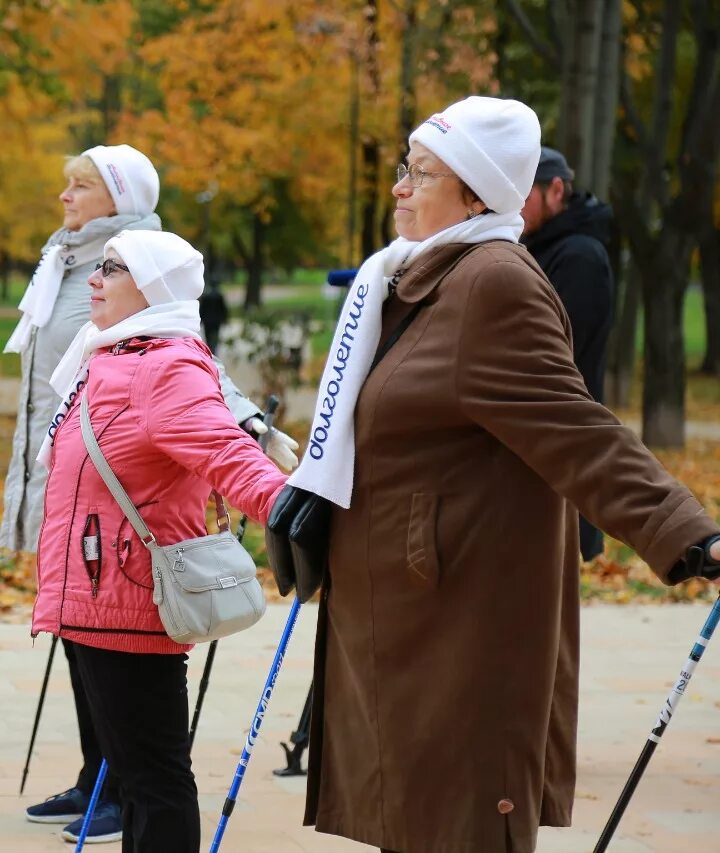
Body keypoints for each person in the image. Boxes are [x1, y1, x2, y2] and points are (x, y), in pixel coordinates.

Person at [268, 96, 720, 853]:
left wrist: (692, 536)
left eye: (420, 173)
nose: (400, 188)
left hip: (458, 628)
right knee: (414, 823)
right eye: (403, 171)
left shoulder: (491, 283)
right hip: (403, 618)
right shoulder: (406, 278)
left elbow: (578, 429)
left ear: (477, 192)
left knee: (454, 824)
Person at [0, 144, 297, 843]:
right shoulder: (110, 352)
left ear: (154, 287)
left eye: (112, 269)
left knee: (155, 776)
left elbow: (224, 451)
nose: (95, 282)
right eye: (99, 268)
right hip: (98, 588)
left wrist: (294, 510)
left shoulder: (162, 363)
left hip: (128, 590)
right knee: (134, 774)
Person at [522, 146, 615, 561]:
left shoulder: (579, 256)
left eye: (523, 193)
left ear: (556, 190)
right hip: (535, 451)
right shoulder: (539, 247)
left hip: (562, 450)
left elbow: (557, 364)